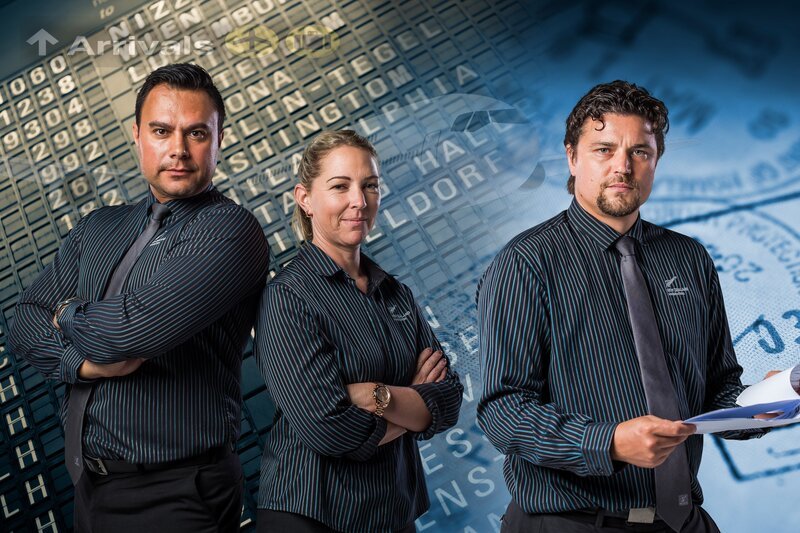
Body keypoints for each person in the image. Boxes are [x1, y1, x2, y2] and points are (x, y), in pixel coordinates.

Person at [476, 80, 766, 533]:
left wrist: (763, 404)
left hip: (681, 521)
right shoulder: (526, 264)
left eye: (640, 152)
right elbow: (503, 410)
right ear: (572, 157)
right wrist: (607, 443)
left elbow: (718, 388)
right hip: (572, 522)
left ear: (656, 162)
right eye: (604, 149)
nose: (622, 167)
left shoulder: (688, 257)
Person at [8, 63, 269, 532]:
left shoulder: (230, 232)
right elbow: (24, 321)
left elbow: (126, 332)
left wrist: (64, 311)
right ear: (137, 135)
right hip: (92, 486)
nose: (178, 150)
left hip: (177, 492)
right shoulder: (99, 227)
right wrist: (81, 365)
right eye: (162, 130)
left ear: (219, 139)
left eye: (196, 134)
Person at [254, 130, 463, 533]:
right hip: (313, 514)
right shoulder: (287, 298)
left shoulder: (394, 292)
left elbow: (449, 397)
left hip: (392, 513)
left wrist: (377, 396)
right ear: (305, 199)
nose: (359, 201)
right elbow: (329, 429)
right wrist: (415, 402)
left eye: (370, 186)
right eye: (340, 187)